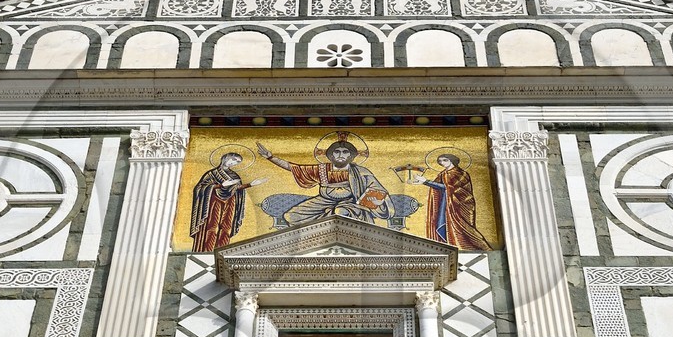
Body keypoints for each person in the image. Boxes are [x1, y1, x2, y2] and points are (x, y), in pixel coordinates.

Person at [257, 134, 391, 226]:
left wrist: (377, 200)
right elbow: (293, 168)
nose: (340, 155)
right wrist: (270, 157)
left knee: (340, 213)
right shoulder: (322, 169)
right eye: (337, 152)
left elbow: (377, 189)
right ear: (331, 155)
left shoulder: (360, 172)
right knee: (291, 216)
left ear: (351, 156)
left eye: (345, 152)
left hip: (350, 203)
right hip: (323, 201)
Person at [410, 153, 490, 249]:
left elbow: (450, 188)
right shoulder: (442, 174)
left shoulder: (461, 174)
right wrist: (424, 182)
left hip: (458, 205)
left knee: (463, 229)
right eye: (440, 161)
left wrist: (426, 181)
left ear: (452, 160)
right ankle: (448, 246)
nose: (442, 163)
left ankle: (475, 247)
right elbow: (439, 187)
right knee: (440, 224)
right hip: (445, 204)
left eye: (444, 160)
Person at [189, 152, 264, 251]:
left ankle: (222, 251)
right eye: (233, 160)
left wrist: (250, 184)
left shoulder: (234, 175)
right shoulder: (212, 174)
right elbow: (200, 188)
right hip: (214, 200)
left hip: (230, 201)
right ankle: (208, 251)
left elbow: (237, 188)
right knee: (212, 226)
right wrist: (220, 185)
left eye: (237, 162)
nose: (234, 163)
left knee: (227, 226)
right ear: (225, 158)